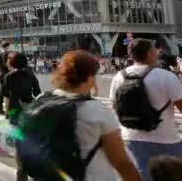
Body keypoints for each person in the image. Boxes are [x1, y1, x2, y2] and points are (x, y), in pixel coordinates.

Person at [17, 50, 141, 181]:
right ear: (89, 78)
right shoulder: (96, 110)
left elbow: (23, 143)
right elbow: (122, 163)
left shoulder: (42, 99)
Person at [109, 38, 182, 180]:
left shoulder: (119, 76)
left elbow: (114, 106)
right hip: (166, 139)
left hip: (131, 138)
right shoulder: (166, 76)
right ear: (150, 53)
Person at [0, 41, 11, 115]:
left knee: (1, 92)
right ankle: (6, 110)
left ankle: (0, 109)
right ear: (7, 46)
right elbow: (7, 64)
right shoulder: (6, 54)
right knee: (8, 93)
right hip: (6, 74)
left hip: (1, 74)